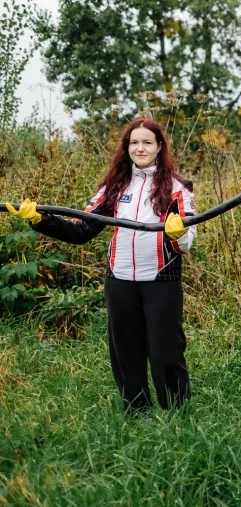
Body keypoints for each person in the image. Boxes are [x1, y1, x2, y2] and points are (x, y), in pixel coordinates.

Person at [5, 118, 197, 413]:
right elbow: (81, 229)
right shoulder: (115, 186)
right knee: (125, 351)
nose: (140, 148)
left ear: (159, 147)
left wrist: (179, 233)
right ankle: (136, 412)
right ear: (127, 147)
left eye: (147, 142)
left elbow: (187, 240)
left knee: (165, 353)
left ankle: (177, 412)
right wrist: (39, 220)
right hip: (119, 279)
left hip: (161, 279)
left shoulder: (178, 188)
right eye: (134, 142)